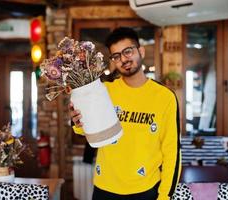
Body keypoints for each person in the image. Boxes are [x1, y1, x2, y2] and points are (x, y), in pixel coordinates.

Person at [69, 27, 181, 200]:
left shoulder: (165, 97)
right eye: (116, 56)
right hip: (105, 188)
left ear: (141, 51)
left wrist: (165, 196)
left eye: (128, 51)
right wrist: (77, 122)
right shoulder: (104, 90)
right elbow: (86, 130)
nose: (123, 59)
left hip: (146, 189)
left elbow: (172, 152)